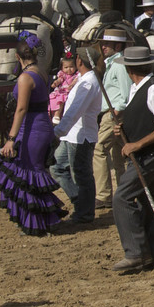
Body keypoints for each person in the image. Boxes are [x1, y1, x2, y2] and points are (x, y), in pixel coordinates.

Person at [0, 33, 68, 236]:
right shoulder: (40, 71)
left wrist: (10, 139)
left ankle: (36, 223)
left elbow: (21, 109)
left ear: (17, 57)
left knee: (30, 172)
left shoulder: (25, 77)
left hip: (31, 128)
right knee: (32, 170)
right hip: (41, 125)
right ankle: (41, 219)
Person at [110, 45, 154, 272]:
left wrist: (137, 143)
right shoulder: (138, 88)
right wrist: (124, 131)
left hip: (151, 154)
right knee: (150, 201)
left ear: (130, 69)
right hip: (144, 153)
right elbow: (145, 119)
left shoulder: (153, 89)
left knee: (122, 197)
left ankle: (136, 253)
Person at [51, 47, 105, 225]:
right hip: (72, 135)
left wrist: (58, 132)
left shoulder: (87, 82)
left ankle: (84, 211)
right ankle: (81, 203)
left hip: (80, 136)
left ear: (79, 61)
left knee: (81, 174)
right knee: (57, 168)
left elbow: (76, 110)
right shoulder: (82, 79)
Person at [93, 27, 132, 213]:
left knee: (100, 149)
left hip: (114, 113)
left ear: (118, 45)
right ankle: (123, 192)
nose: (103, 47)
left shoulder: (119, 64)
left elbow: (125, 93)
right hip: (113, 112)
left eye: (107, 44)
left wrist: (116, 111)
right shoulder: (114, 63)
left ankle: (103, 195)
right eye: (103, 43)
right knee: (118, 154)